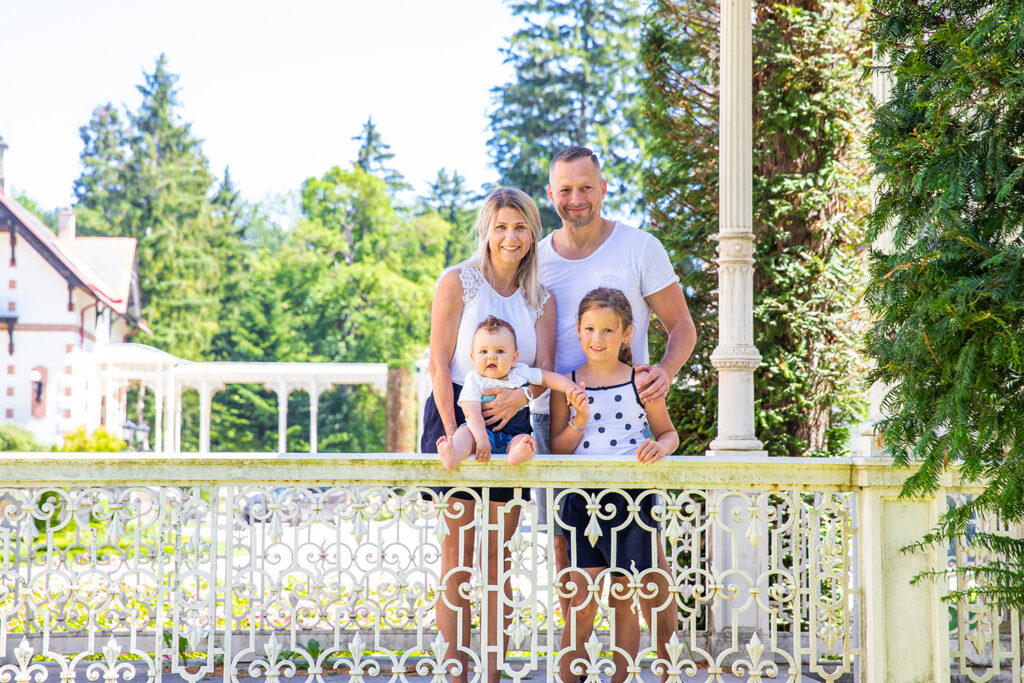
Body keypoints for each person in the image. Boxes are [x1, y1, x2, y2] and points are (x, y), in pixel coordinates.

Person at [532, 145, 696, 677]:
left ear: (603, 189)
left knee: (646, 567)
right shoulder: (537, 256)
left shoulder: (638, 248)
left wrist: (663, 374)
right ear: (551, 193)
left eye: (585, 187)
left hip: (631, 415)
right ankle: (574, 666)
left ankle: (664, 662)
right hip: (560, 415)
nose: (575, 199)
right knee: (570, 563)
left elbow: (682, 327)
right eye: (564, 189)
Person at [422, 187, 555, 683]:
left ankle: (493, 673)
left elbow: (542, 369)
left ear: (532, 232)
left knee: (498, 556)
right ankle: (457, 672)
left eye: (520, 226)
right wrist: (460, 428)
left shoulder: (541, 298)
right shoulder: (458, 281)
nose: (510, 236)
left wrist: (520, 399)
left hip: (512, 421)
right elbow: (439, 361)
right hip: (456, 412)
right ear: (486, 230)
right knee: (456, 557)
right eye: (501, 226)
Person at [550, 287, 680, 683]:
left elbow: (668, 433)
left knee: (625, 598)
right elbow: (558, 448)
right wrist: (579, 421)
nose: (598, 339)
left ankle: (620, 679)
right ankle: (571, 677)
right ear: (577, 329)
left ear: (626, 333)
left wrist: (659, 448)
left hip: (632, 500)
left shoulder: (641, 381)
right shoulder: (568, 383)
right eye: (590, 329)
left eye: (608, 330)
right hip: (579, 501)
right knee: (582, 599)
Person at [437, 315, 586, 470]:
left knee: (526, 440)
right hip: (480, 436)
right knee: (464, 435)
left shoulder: (520, 372)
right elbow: (471, 413)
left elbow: (547, 378)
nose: (491, 356)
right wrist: (481, 440)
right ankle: (453, 454)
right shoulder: (474, 379)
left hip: (513, 437)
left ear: (514, 358)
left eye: (500, 351)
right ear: (473, 358)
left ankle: (517, 454)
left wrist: (570, 388)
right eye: (483, 351)